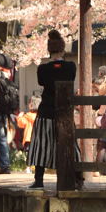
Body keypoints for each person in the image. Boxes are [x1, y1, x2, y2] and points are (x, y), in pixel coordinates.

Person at [27, 29, 77, 189]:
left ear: (49, 50)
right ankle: (75, 177)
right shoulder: (70, 67)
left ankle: (39, 179)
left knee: (41, 144)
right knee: (69, 144)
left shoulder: (43, 69)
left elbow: (42, 83)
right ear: (63, 49)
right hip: (65, 112)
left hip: (46, 110)